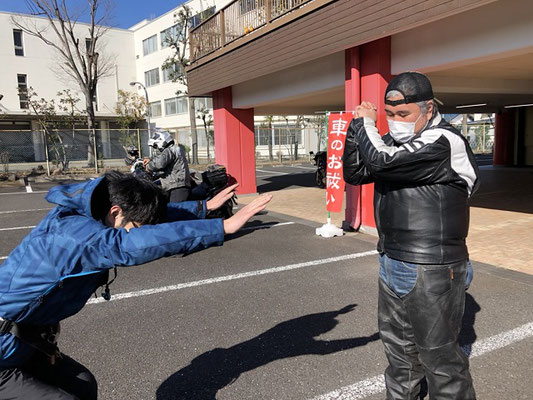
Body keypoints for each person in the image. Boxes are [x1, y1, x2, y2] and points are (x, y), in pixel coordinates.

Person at [0, 171, 272, 399]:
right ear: (115, 212)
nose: (138, 230)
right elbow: (131, 243)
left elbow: (147, 220)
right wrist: (220, 228)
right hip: (4, 353)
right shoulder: (76, 237)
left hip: (28, 340)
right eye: (134, 226)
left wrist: (203, 208)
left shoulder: (95, 207)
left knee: (83, 384)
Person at [343, 71, 479, 399]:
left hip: (432, 268)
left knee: (441, 362)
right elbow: (357, 171)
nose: (395, 121)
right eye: (389, 115)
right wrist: (355, 128)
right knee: (400, 359)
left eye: (403, 114)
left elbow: (381, 161)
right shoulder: (392, 143)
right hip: (392, 261)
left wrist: (365, 125)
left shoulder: (445, 140)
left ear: (428, 109)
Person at [143, 129, 192, 202]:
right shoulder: (175, 149)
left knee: (175, 211)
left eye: (156, 145)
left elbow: (159, 163)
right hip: (178, 185)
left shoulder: (169, 150)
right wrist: (151, 160)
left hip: (177, 187)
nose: (157, 148)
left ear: (161, 141)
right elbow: (164, 160)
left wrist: (148, 167)